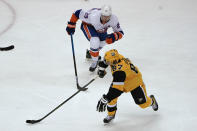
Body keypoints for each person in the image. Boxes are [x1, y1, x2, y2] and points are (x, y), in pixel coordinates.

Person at [96, 49, 159, 123]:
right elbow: (105, 62)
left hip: (134, 83)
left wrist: (106, 98)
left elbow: (117, 91)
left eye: (108, 62)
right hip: (122, 80)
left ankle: (152, 101)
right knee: (112, 99)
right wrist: (101, 70)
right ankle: (111, 114)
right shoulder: (118, 57)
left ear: (114, 62)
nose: (107, 62)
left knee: (143, 104)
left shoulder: (120, 72)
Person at [66, 5, 124, 72]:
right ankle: (94, 62)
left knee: (105, 41)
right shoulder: (93, 16)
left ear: (110, 16)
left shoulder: (114, 19)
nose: (105, 19)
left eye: (107, 17)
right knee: (95, 41)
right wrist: (71, 25)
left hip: (101, 29)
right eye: (103, 16)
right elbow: (77, 13)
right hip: (88, 25)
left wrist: (114, 37)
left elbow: (120, 32)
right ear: (101, 14)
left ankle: (91, 53)